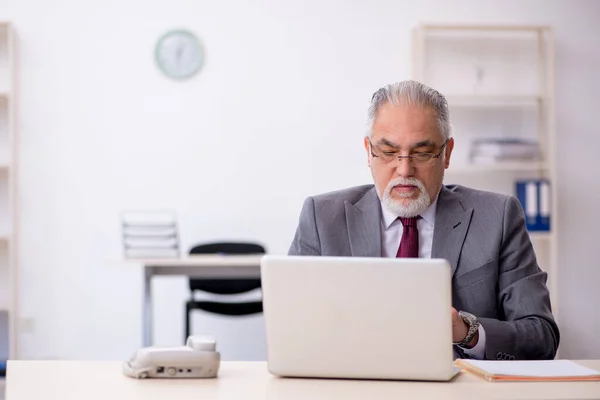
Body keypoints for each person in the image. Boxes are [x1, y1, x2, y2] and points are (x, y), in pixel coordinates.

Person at [288, 80, 559, 360]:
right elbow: (290, 328)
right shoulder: (321, 218)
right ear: (368, 151)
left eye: (422, 153)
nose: (404, 169)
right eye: (389, 152)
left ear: (447, 154)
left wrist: (467, 331)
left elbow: (541, 336)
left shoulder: (498, 217)